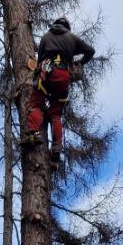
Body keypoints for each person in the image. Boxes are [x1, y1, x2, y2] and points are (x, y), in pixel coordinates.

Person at [22, 16, 95, 168]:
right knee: (55, 114)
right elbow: (90, 51)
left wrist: (38, 77)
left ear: (55, 25)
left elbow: (40, 60)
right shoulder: (72, 38)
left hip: (46, 72)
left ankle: (32, 133)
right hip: (63, 76)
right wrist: (79, 63)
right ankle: (56, 148)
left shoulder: (45, 37)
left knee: (35, 104)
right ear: (67, 26)